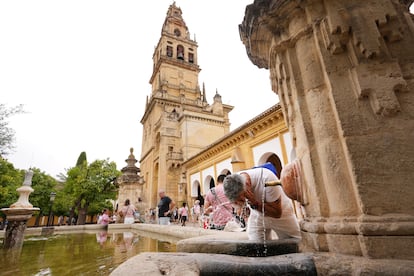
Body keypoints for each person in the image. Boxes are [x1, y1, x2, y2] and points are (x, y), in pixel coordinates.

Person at [223, 165, 301, 241]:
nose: (242, 201)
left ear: (246, 186)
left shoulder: (266, 178)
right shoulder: (235, 180)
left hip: (281, 213)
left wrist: (254, 203)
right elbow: (241, 204)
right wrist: (242, 208)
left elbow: (277, 213)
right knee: (256, 245)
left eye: (241, 198)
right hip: (257, 214)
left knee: (295, 241)